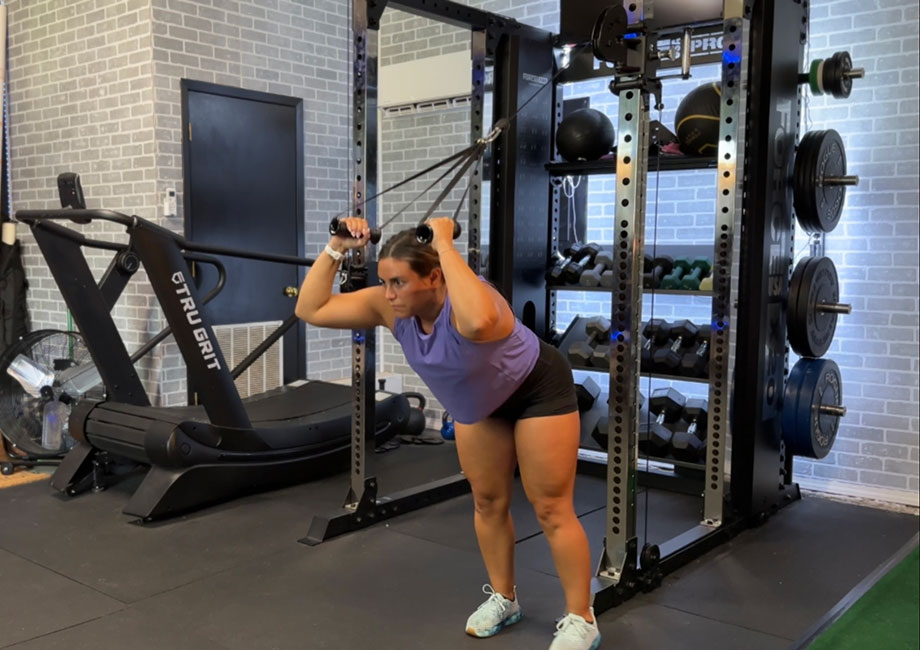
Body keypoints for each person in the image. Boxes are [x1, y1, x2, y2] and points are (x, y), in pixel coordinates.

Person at [295, 216, 601, 650]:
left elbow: (478, 323)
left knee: (550, 507)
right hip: (479, 405)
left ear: (435, 276)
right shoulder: (390, 308)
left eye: (399, 282)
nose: (388, 293)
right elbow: (311, 309)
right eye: (385, 283)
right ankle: (504, 598)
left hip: (536, 391)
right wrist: (336, 248)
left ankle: (581, 618)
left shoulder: (473, 303)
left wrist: (444, 243)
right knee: (487, 501)